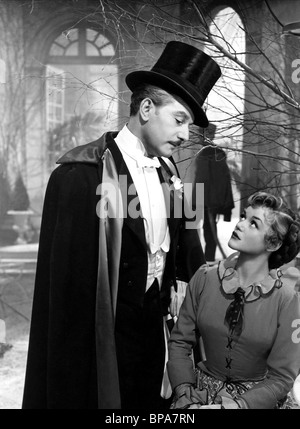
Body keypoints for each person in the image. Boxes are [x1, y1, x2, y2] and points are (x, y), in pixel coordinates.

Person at [22, 41, 221, 409]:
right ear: (146, 108)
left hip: (154, 338)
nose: (183, 136)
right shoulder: (80, 177)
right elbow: (66, 298)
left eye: (189, 127)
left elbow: (182, 253)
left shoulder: (174, 176)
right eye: (179, 120)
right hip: (98, 345)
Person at [167, 191, 300, 409]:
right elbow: (180, 343)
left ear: (273, 244)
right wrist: (185, 394)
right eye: (243, 217)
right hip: (197, 395)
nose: (240, 225)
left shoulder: (286, 301)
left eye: (254, 224)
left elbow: (282, 377)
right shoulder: (204, 278)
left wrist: (236, 406)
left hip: (256, 401)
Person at [192, 145, 234, 263]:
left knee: (205, 229)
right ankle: (205, 259)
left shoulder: (207, 153)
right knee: (198, 229)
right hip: (209, 199)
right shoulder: (213, 153)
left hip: (206, 198)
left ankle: (207, 260)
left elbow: (203, 178)